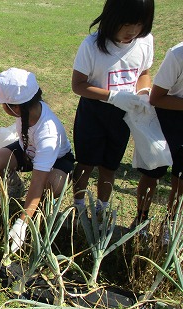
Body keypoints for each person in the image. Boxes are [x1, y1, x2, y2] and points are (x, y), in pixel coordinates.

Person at [71, 0, 154, 216]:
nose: (133, 31)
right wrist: (113, 96)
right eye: (127, 24)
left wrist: (143, 93)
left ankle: (102, 209)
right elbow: (78, 85)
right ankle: (78, 207)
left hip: (124, 116)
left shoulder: (144, 42)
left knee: (110, 166)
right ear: (111, 17)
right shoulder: (91, 45)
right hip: (93, 112)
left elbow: (144, 73)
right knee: (86, 163)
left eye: (139, 24)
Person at [0, 68, 74, 254]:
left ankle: (38, 215)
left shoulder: (48, 132)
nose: (3, 107)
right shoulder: (27, 111)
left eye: (4, 104)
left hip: (57, 160)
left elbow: (38, 181)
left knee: (51, 185)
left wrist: (22, 222)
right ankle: (17, 188)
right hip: (28, 149)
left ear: (16, 107)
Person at [132, 41, 183, 242]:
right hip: (167, 119)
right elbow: (156, 98)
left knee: (180, 180)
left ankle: (169, 224)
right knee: (152, 172)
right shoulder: (177, 55)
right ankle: (141, 220)